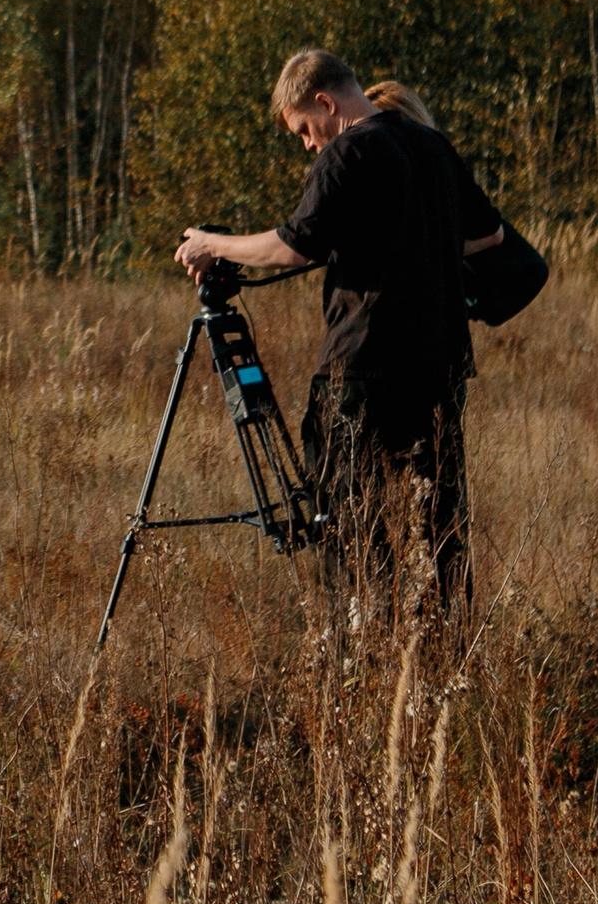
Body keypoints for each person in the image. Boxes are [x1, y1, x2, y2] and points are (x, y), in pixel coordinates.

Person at [174, 50, 502, 613]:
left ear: (325, 102)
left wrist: (214, 245)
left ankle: (359, 652)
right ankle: (443, 652)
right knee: (440, 520)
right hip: (440, 367)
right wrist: (413, 241)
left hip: (364, 369)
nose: (307, 143)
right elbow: (490, 234)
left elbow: (291, 244)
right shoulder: (433, 146)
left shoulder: (348, 150)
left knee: (347, 520)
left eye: (304, 128)